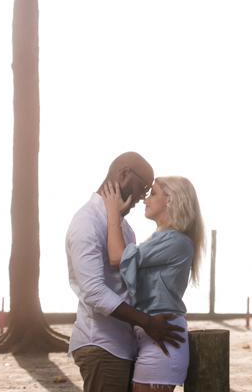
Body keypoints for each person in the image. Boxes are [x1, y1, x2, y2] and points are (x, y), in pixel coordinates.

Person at [66, 153, 186, 392]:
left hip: (124, 345)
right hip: (102, 345)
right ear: (123, 174)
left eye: (148, 191)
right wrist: (147, 322)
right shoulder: (87, 222)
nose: (143, 197)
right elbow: (93, 292)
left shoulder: (122, 226)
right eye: (143, 187)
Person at [101, 174, 204, 392]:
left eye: (153, 193)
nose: (145, 200)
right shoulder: (161, 239)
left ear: (170, 199)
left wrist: (113, 212)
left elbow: (117, 257)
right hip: (154, 336)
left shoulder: (175, 240)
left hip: (164, 339)